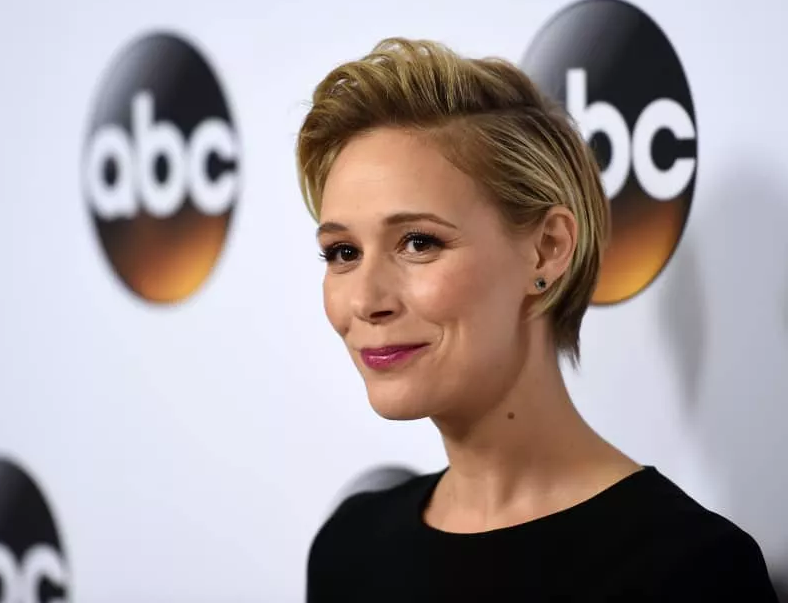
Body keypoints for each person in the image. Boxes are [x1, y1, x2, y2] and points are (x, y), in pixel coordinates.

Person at [295, 37, 778, 601]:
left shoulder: (691, 569)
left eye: (418, 242)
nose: (365, 300)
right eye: (343, 253)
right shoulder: (349, 549)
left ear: (547, 249)